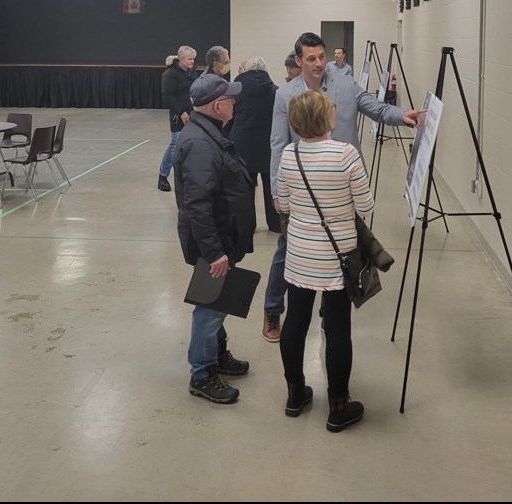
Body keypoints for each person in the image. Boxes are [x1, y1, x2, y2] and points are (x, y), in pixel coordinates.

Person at [260, 31, 423, 344]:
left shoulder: (344, 85)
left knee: (342, 250)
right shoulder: (286, 94)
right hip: (305, 190)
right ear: (299, 61)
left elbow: (374, 107)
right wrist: (277, 191)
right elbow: (278, 143)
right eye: (312, 58)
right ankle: (272, 309)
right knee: (288, 250)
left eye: (321, 57)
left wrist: (402, 116)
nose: (319, 63)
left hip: (341, 187)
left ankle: (328, 315)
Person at [276, 90, 373, 431]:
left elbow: (283, 206)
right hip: (337, 257)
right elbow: (366, 205)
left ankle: (294, 393)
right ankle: (338, 405)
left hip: (300, 256)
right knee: (337, 330)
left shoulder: (289, 155)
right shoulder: (345, 155)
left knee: (295, 323)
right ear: (325, 116)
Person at [174, 73, 256, 404]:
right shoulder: (199, 145)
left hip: (223, 236)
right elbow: (198, 205)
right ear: (218, 105)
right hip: (214, 241)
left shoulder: (208, 133)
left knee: (218, 303)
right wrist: (215, 252)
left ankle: (218, 355)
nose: (235, 103)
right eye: (231, 99)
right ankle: (202, 373)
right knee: (209, 308)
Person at [228, 57, 280, 234]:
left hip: (242, 144)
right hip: (269, 144)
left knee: (245, 188)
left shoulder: (236, 91)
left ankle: (248, 225)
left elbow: (229, 116)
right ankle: (275, 224)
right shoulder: (275, 91)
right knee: (271, 186)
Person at [159, 46, 198, 192]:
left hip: (193, 114)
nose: (192, 61)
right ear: (181, 59)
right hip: (178, 116)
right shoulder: (170, 74)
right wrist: (181, 112)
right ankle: (163, 176)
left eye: (193, 58)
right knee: (175, 145)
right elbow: (168, 96)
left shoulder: (193, 73)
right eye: (189, 59)